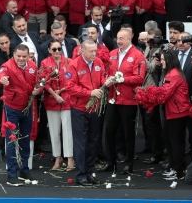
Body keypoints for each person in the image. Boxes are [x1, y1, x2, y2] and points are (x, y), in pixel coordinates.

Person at [136, 48, 192, 182]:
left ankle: (178, 171)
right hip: (173, 111)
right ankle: (175, 168)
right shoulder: (171, 73)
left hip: (177, 113)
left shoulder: (173, 74)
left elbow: (164, 94)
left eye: (163, 59)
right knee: (171, 142)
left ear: (169, 60)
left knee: (175, 143)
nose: (161, 62)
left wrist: (146, 94)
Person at [0, 44, 44, 186]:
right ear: (13, 55)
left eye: (24, 56)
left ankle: (24, 170)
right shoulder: (7, 66)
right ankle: (11, 174)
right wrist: (1, 80)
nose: (21, 59)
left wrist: (38, 90)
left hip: (27, 108)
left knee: (25, 140)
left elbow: (39, 83)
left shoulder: (32, 66)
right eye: (18, 56)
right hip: (12, 109)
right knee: (12, 141)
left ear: (28, 56)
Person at [102, 28, 146, 175]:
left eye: (122, 38)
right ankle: (111, 162)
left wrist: (122, 79)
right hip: (113, 99)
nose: (118, 41)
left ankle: (129, 164)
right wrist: (107, 79)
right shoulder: (112, 53)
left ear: (129, 39)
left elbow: (139, 78)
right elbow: (106, 72)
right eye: (118, 38)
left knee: (128, 133)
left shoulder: (138, 55)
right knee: (109, 131)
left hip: (128, 100)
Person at [65, 40, 108, 187]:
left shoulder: (98, 62)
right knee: (81, 143)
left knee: (94, 141)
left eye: (95, 50)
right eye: (91, 51)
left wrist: (107, 81)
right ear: (82, 51)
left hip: (94, 108)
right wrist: (89, 93)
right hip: (79, 109)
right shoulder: (73, 65)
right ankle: (81, 174)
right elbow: (70, 86)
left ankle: (90, 173)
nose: (94, 53)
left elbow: (102, 77)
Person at [40, 39, 74, 172]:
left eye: (59, 48)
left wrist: (62, 90)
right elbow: (44, 81)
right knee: (54, 132)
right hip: (51, 101)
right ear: (49, 50)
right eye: (54, 49)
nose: (57, 51)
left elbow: (72, 79)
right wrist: (55, 94)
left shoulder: (69, 61)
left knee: (67, 131)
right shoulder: (45, 63)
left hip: (66, 100)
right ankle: (57, 158)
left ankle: (70, 158)